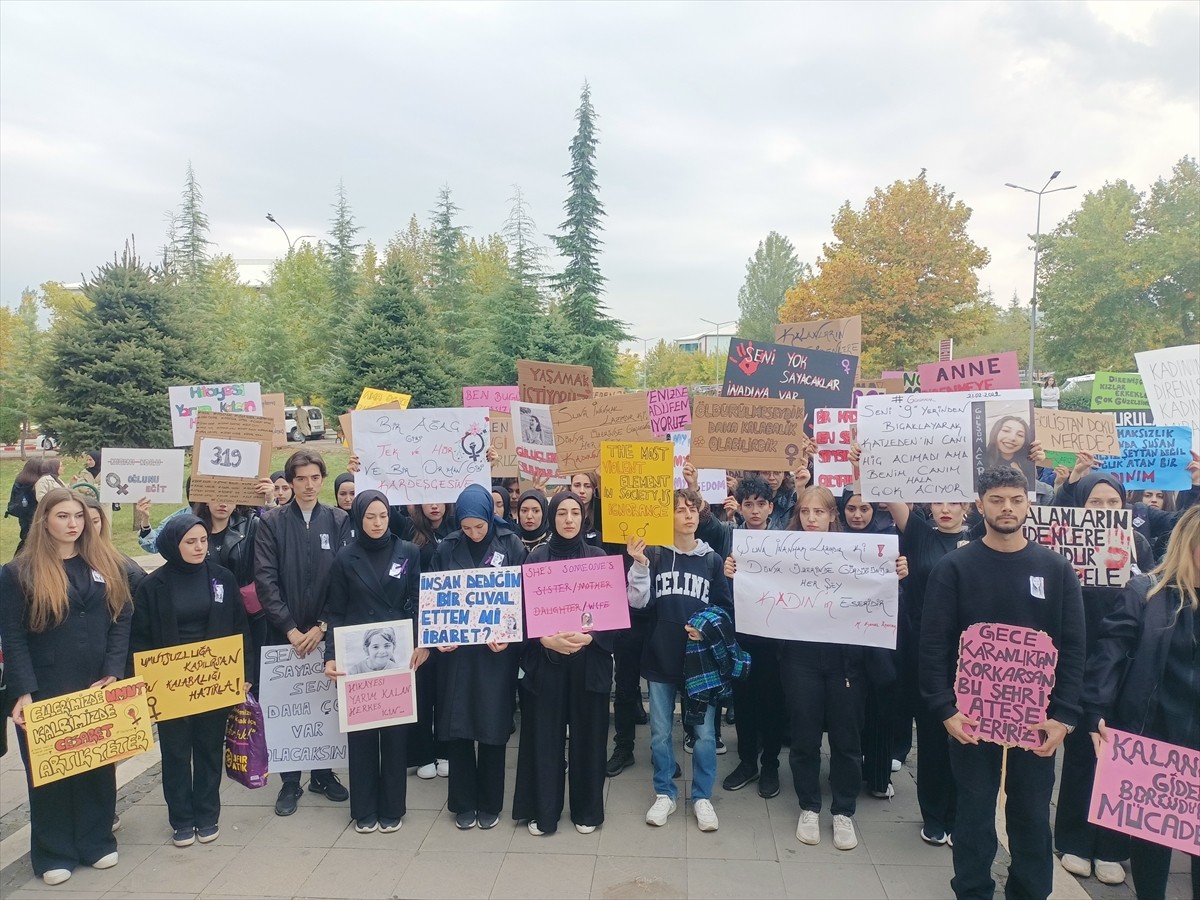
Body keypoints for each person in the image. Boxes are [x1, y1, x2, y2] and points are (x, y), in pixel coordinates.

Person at [921, 466, 1086, 900]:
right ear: (980, 504)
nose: (1007, 507)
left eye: (1015, 499)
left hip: (1036, 723)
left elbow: (1073, 647)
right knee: (974, 814)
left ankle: (1030, 892)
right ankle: (973, 891)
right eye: (997, 500)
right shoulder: (953, 567)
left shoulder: (1056, 569)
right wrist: (944, 708)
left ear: (1028, 501)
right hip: (971, 719)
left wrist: (1065, 716)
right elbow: (934, 643)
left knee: (1031, 814)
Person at [0, 488, 133, 886]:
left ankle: (96, 840)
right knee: (49, 771)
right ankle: (53, 850)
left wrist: (113, 670)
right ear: (45, 520)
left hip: (95, 682)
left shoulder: (105, 563)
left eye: (78, 516)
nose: (73, 523)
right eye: (62, 516)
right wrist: (22, 690)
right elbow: (12, 634)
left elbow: (122, 617)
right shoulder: (18, 572)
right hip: (46, 687)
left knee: (97, 764)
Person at [1083, 506, 1200, 900]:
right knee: (1152, 844)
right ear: (1189, 542)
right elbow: (1110, 655)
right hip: (1153, 737)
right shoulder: (1146, 593)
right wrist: (1095, 713)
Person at [1052, 473, 1155, 884]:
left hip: (1126, 667)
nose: (1106, 509)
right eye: (1096, 502)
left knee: (1122, 754)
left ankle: (1113, 846)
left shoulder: (1140, 545)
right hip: (1077, 662)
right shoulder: (1061, 543)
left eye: (1114, 502)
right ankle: (1074, 840)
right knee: (1080, 751)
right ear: (1080, 506)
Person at [129, 515, 252, 848]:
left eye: (202, 541)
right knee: (176, 752)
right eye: (190, 542)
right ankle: (182, 818)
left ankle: (208, 813)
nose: (199, 547)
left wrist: (245, 676)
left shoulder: (222, 577)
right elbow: (138, 639)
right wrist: (144, 683)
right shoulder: (152, 586)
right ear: (173, 544)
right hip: (170, 687)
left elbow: (242, 628)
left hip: (215, 680)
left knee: (210, 749)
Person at [626, 487, 730, 833]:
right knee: (659, 732)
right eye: (681, 509)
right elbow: (638, 603)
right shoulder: (654, 555)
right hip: (661, 656)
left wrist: (707, 629)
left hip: (699, 663)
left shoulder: (712, 560)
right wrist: (639, 566)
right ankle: (664, 792)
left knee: (702, 733)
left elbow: (723, 608)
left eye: (693, 509)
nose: (688, 515)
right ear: (666, 517)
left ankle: (702, 796)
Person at [255, 449, 352, 816]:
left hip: (326, 630)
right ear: (290, 482)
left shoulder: (338, 519)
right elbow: (265, 578)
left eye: (314, 478)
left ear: (322, 479)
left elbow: (344, 576)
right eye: (300, 479)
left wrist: (323, 625)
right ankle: (291, 782)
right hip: (286, 634)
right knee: (289, 707)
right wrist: (291, 629)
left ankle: (324, 774)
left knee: (323, 706)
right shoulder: (273, 522)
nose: (308, 485)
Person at [324, 489, 427, 834]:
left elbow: (418, 600)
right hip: (359, 655)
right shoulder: (344, 558)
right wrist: (331, 655)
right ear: (358, 517)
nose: (377, 522)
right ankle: (364, 808)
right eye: (370, 516)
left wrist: (423, 642)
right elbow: (335, 611)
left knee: (396, 736)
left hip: (397, 653)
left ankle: (393, 806)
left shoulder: (408, 552)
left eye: (383, 515)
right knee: (363, 736)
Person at [513, 491, 612, 836]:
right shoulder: (536, 558)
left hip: (589, 664)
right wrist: (543, 638)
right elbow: (521, 613)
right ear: (551, 518)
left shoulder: (599, 557)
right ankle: (544, 812)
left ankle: (587, 810)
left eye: (575, 512)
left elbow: (612, 617)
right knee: (544, 738)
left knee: (589, 738)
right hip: (547, 663)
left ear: (583, 517)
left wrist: (591, 637)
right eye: (562, 513)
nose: (568, 519)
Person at [429, 483, 526, 831]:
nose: (472, 533)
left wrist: (511, 637)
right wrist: (436, 635)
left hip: (494, 655)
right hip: (456, 656)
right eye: (467, 527)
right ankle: (462, 801)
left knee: (491, 726)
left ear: (490, 516)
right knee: (458, 727)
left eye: (479, 527)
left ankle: (490, 801)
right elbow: (434, 599)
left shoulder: (511, 543)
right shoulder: (447, 547)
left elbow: (523, 599)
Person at [694, 473, 785, 801]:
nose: (755, 510)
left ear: (770, 506)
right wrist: (727, 574)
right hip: (741, 635)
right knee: (744, 701)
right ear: (741, 507)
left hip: (775, 637)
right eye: (749, 505)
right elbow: (706, 525)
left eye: (761, 504)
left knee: (773, 702)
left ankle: (771, 764)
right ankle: (748, 762)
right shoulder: (731, 536)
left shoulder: (784, 538)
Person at [405, 501, 456, 780]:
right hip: (418, 622)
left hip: (451, 624)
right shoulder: (408, 530)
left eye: (440, 499)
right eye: (428, 499)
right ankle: (422, 753)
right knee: (421, 692)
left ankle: (445, 751)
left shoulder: (460, 529)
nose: (434, 505)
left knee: (447, 690)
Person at [192, 499, 265, 662]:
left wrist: (270, 501)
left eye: (229, 498)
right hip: (207, 612)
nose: (222, 503)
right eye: (216, 497)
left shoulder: (252, 526)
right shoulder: (194, 530)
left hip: (248, 612)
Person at [6, 458, 40, 555]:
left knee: (25, 537)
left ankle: (17, 558)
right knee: (30, 540)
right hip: (32, 513)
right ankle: (19, 560)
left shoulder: (20, 479)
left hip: (21, 512)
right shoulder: (36, 482)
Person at [515, 490, 550, 555]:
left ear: (544, 513)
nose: (529, 516)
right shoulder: (512, 541)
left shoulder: (554, 542)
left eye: (536, 511)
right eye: (524, 511)